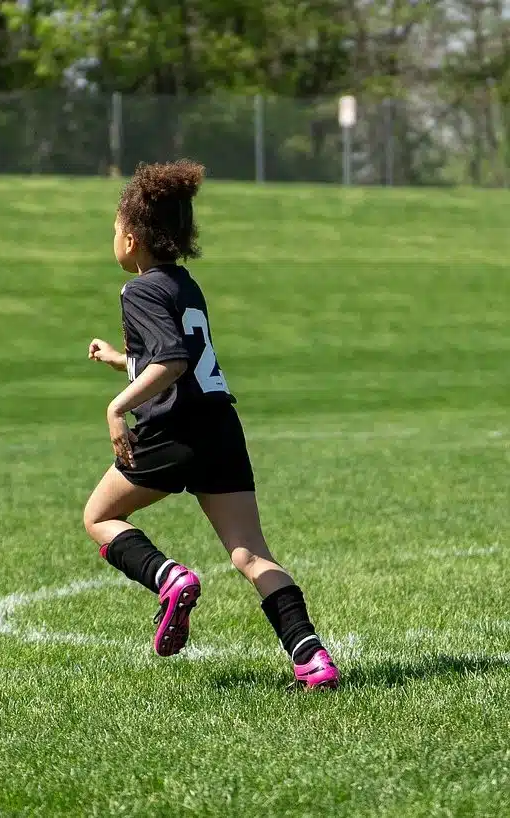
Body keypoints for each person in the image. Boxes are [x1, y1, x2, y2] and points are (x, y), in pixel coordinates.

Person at [82, 159, 339, 690]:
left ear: (131, 239)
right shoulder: (183, 285)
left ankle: (168, 578)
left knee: (100, 517)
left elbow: (171, 361)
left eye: (113, 229)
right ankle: (312, 660)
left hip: (172, 429)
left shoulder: (137, 291)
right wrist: (118, 358)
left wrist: (115, 407)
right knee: (249, 553)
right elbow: (174, 356)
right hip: (219, 426)